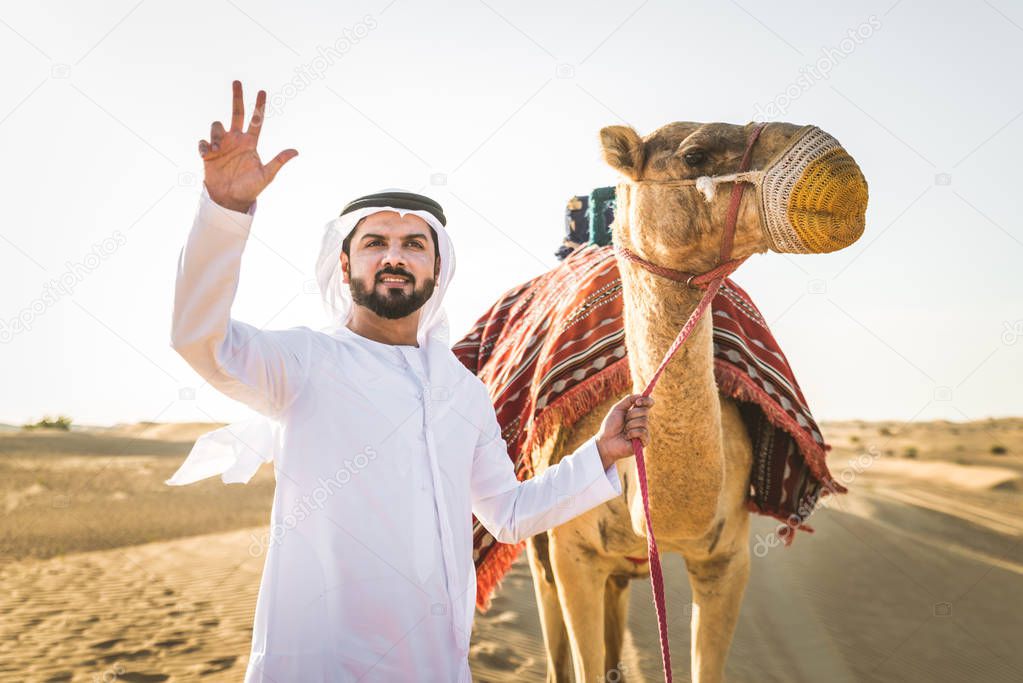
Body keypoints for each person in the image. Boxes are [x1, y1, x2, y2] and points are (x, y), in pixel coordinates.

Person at [166, 80, 653, 682]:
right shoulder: (303, 364)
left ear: (436, 266)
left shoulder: (462, 391)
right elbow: (200, 340)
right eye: (374, 243)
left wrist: (599, 453)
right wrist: (225, 212)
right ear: (345, 265)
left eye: (412, 245)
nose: (394, 256)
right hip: (317, 666)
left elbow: (507, 513)